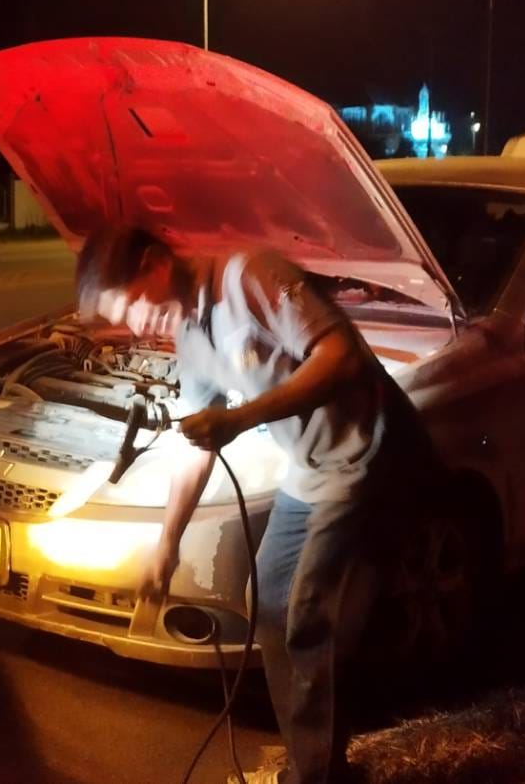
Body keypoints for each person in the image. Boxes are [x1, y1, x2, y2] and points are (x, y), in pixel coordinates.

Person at [75, 226, 441, 784]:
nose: (136, 323)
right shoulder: (191, 336)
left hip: (365, 450)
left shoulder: (249, 278)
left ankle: (316, 775)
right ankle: (313, 759)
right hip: (310, 467)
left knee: (306, 613)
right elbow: (196, 449)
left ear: (154, 262)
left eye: (131, 305)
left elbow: (341, 355)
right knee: (267, 599)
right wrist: (167, 544)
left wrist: (241, 418)